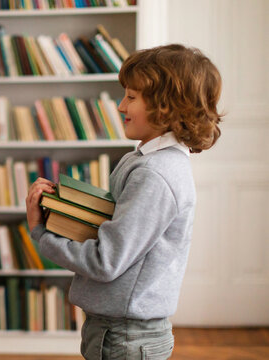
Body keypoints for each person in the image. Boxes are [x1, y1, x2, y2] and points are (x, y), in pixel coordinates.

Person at [26, 44, 222, 359]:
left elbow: (106, 261)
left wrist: (40, 232)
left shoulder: (155, 173)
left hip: (125, 337)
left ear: (166, 106)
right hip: (119, 330)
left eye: (131, 97)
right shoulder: (145, 161)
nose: (120, 106)